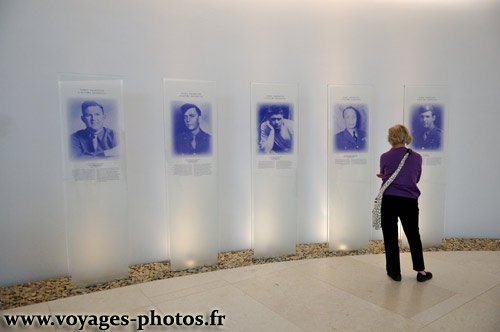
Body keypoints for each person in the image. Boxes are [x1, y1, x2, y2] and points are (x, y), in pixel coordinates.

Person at [376, 124, 432, 282]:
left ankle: (394, 272)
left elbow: (386, 174)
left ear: (390, 138)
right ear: (406, 136)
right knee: (414, 235)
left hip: (389, 199)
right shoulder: (417, 157)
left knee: (390, 236)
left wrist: (385, 177)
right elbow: (416, 178)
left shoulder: (384, 157)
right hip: (409, 200)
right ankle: (421, 272)